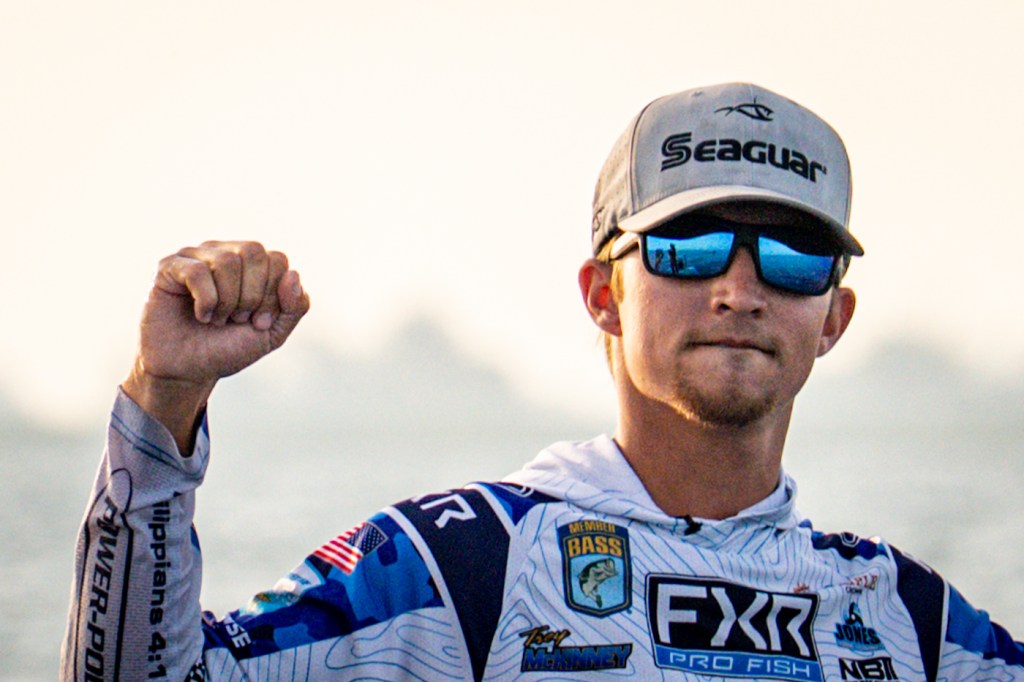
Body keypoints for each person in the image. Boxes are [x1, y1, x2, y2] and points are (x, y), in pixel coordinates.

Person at [62, 83, 1023, 681]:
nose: (739, 290)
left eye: (792, 257)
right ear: (604, 296)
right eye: (687, 248)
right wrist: (163, 402)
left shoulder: (910, 618)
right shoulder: (461, 567)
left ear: (834, 319)